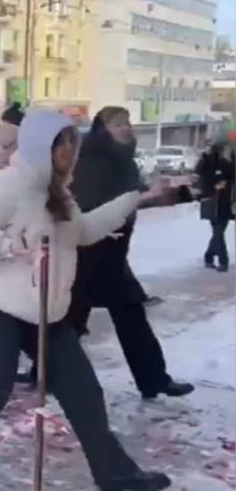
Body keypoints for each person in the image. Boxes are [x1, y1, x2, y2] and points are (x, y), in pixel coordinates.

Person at [0, 110, 171, 491]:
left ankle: (117, 475)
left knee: (83, 390)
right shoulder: (3, 185)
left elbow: (83, 232)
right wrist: (5, 244)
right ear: (39, 145)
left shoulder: (59, 195)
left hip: (43, 309)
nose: (68, 149)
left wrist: (136, 198)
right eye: (59, 141)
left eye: (71, 140)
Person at [67, 106, 193, 400]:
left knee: (77, 321)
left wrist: (161, 197)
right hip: (93, 252)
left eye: (127, 123)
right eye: (118, 124)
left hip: (112, 253)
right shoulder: (93, 159)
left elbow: (132, 199)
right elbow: (89, 203)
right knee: (119, 316)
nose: (126, 128)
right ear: (103, 128)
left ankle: (153, 380)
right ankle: (153, 379)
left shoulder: (123, 160)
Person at [196, 138, 234, 272]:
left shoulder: (227, 164)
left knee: (218, 233)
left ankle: (209, 256)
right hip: (211, 203)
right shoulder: (207, 163)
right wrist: (205, 154)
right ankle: (223, 261)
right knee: (218, 232)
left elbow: (231, 174)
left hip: (224, 204)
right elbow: (200, 170)